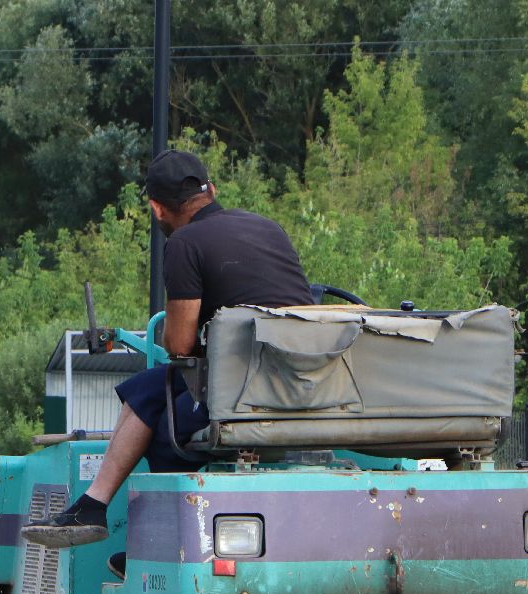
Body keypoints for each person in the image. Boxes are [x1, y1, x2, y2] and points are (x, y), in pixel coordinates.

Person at [22, 150, 313, 550]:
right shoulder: (269, 228)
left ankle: (154, 545)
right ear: (212, 190)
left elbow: (178, 345)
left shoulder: (184, 244)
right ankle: (94, 507)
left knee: (164, 427)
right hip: (307, 382)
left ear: (157, 208)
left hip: (245, 394)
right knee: (147, 389)